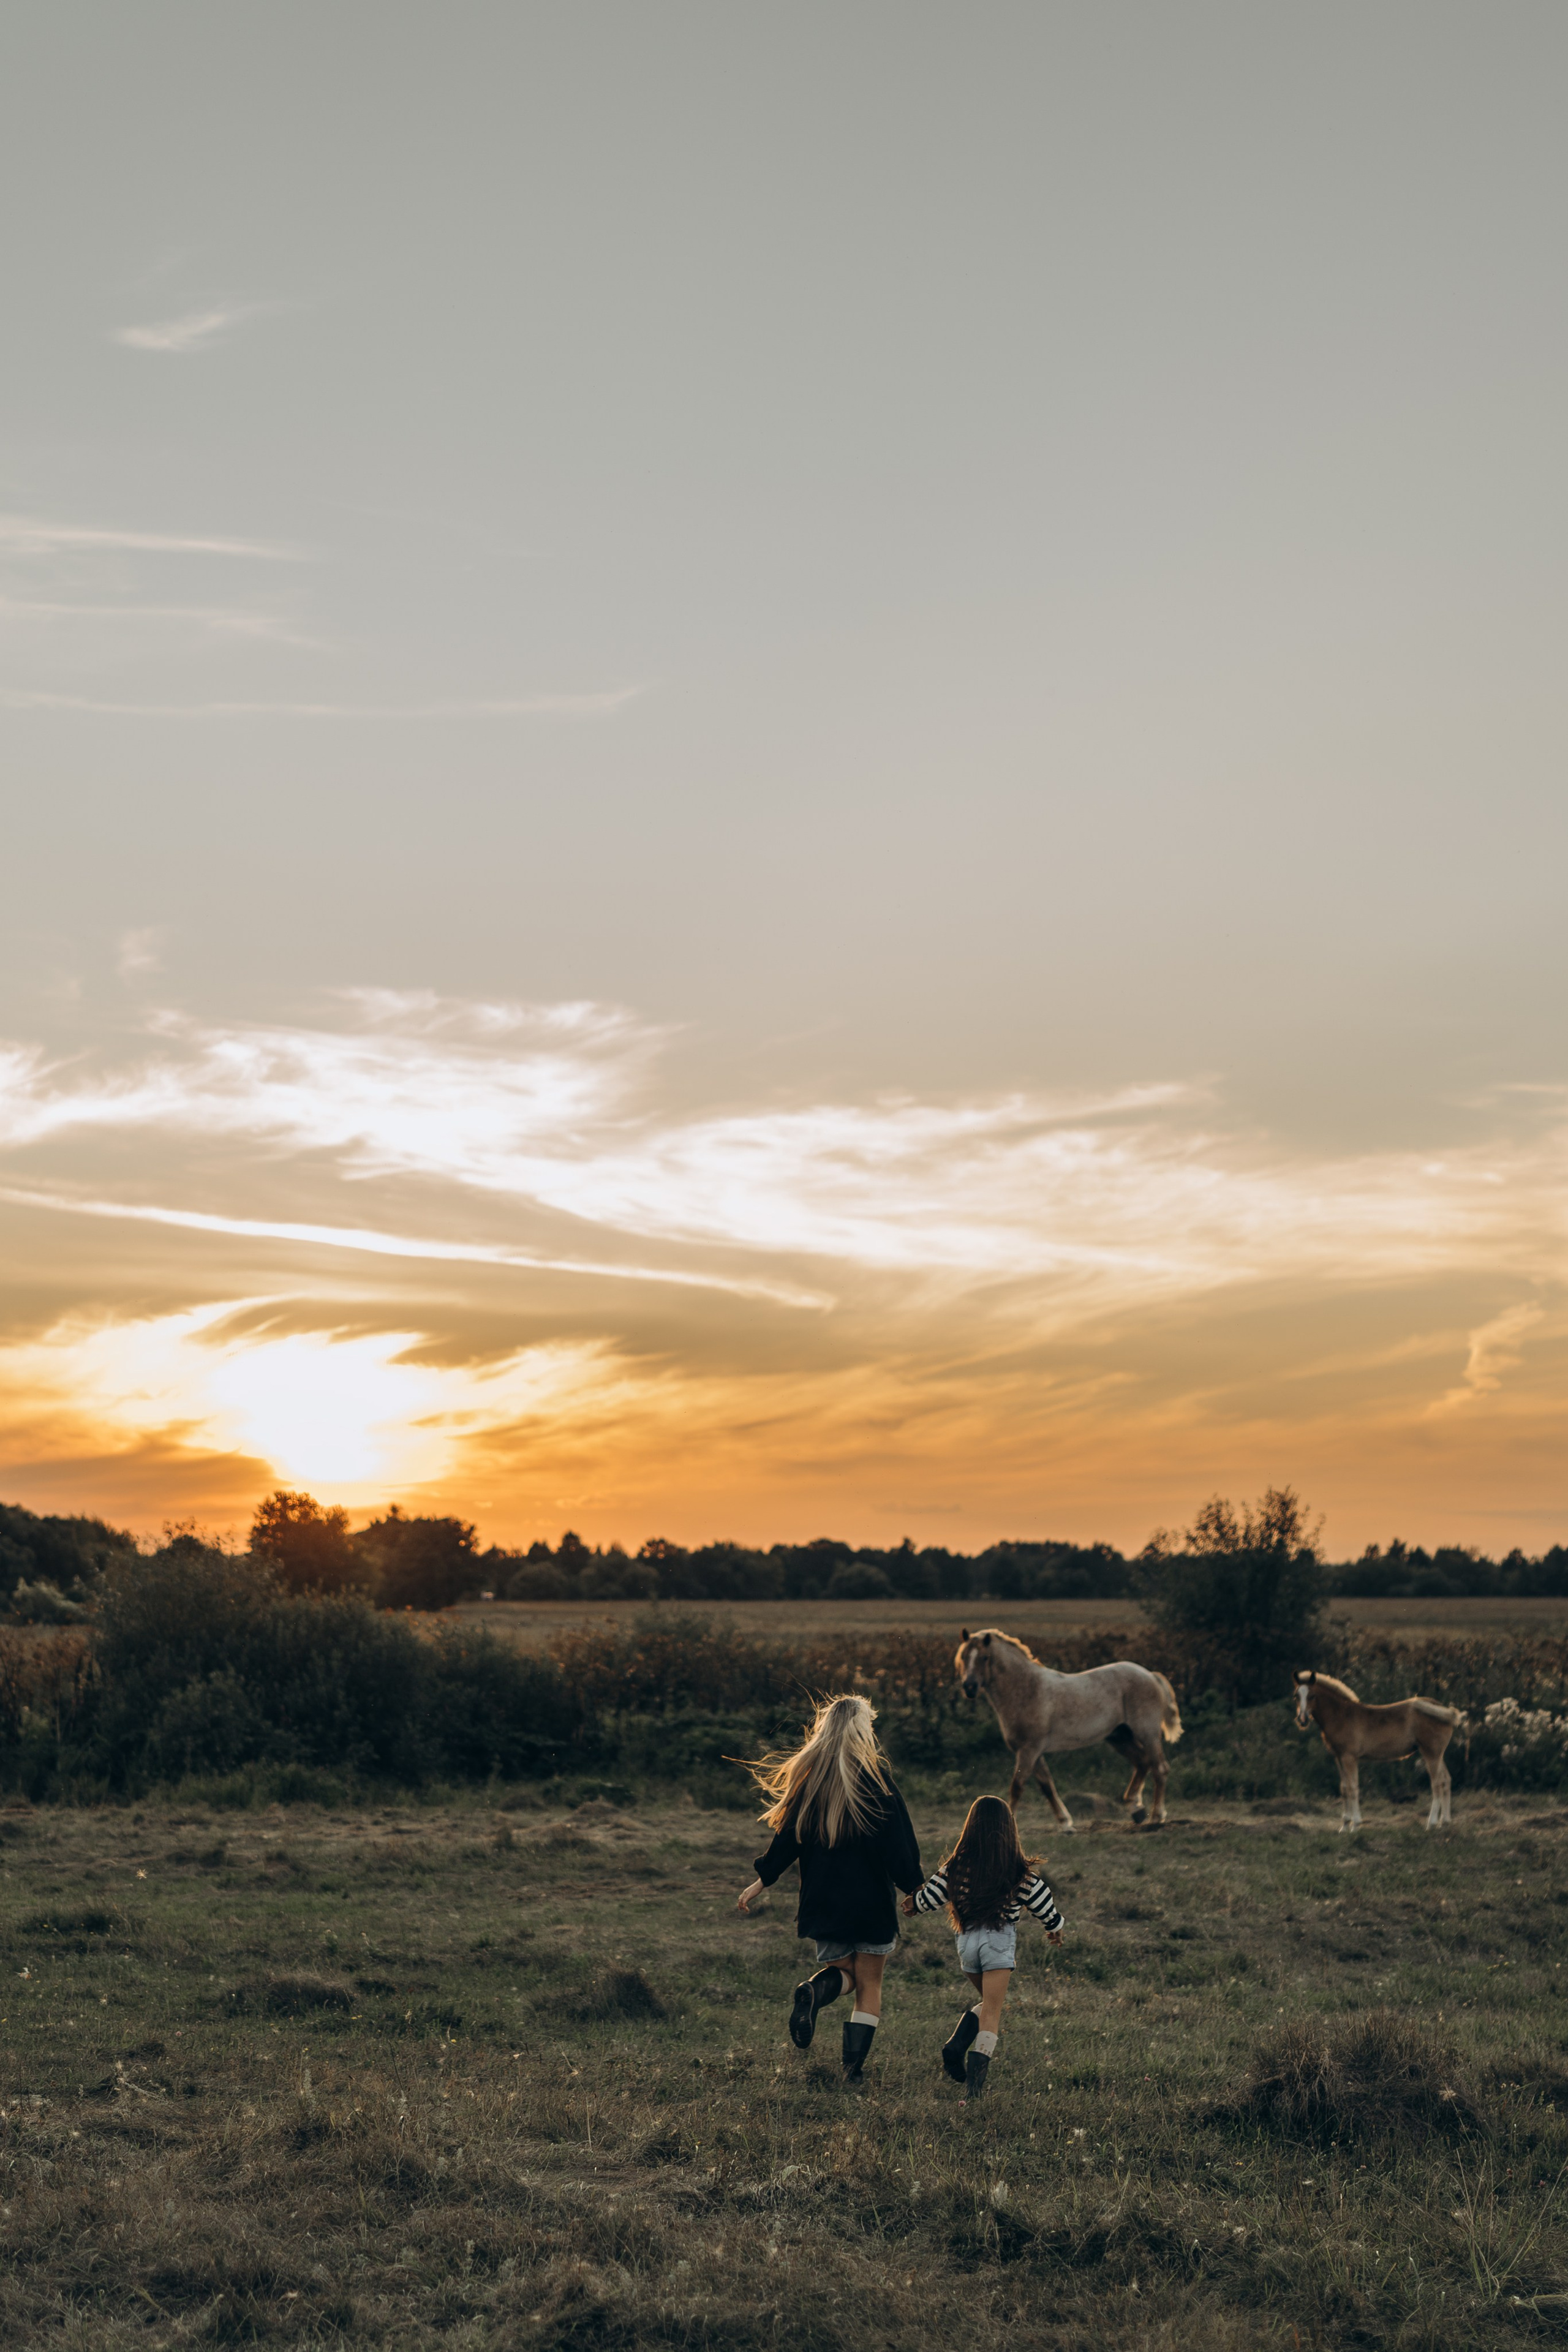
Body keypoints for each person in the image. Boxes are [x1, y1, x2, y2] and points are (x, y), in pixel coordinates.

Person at [736, 1693, 922, 2089]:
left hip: (824, 1904)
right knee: (869, 1983)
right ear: (862, 1731)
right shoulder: (878, 1781)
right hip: (871, 1903)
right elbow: (899, 1846)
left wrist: (761, 1881)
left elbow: (787, 1840)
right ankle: (852, 2072)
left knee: (844, 1972)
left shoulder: (811, 1782)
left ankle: (815, 1993)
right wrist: (917, 1889)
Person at [901, 1793, 1065, 2100]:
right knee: (992, 2011)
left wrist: (915, 1904)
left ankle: (955, 2046)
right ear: (1009, 1829)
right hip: (999, 1940)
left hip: (967, 1943)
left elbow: (932, 1894)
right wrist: (1055, 1927)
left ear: (970, 1827)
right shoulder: (1016, 1869)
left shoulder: (956, 1866)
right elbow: (1042, 1900)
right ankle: (973, 2088)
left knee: (989, 2003)